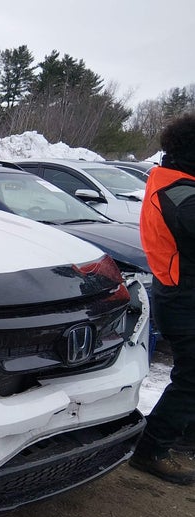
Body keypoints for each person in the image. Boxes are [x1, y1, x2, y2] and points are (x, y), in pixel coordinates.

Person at [132, 112, 195, 485]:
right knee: (191, 377)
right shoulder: (180, 193)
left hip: (179, 293)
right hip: (183, 297)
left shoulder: (175, 182)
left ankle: (182, 436)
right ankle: (152, 448)